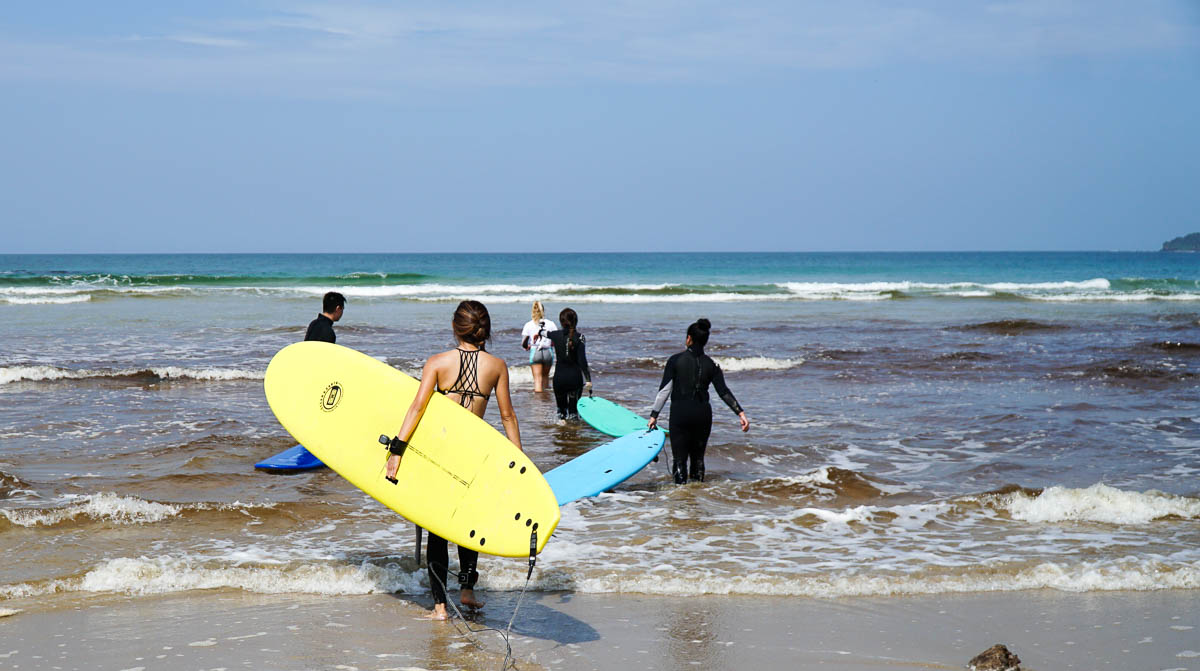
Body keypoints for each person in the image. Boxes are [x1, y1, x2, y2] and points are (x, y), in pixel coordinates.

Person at [383, 300, 521, 620]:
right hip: (473, 458)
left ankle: (440, 607)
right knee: (468, 525)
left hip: (439, 457)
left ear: (454, 327)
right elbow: (508, 417)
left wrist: (396, 452)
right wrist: (520, 467)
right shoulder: (497, 366)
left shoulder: (437, 363)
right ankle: (467, 590)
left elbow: (416, 408)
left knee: (438, 530)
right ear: (485, 328)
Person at [647, 318, 749, 484]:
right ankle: (697, 498)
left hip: (681, 414)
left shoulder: (675, 360)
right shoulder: (712, 364)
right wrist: (740, 413)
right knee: (698, 459)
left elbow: (664, 391)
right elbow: (723, 391)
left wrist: (653, 416)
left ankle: (681, 499)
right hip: (703, 415)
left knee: (679, 460)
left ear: (689, 338)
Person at [546, 307, 591, 421]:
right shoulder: (580, 337)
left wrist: (539, 333)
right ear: (575, 321)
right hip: (574, 379)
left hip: (559, 379)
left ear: (561, 322)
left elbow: (543, 333)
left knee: (561, 412)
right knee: (573, 412)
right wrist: (588, 379)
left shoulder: (555, 335)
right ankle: (573, 435)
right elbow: (582, 361)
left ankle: (561, 434)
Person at [520, 301, 557, 393]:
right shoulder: (551, 323)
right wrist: (552, 343)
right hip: (548, 351)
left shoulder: (528, 324)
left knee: (537, 380)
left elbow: (524, 342)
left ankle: (539, 404)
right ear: (543, 311)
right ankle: (546, 401)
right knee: (545, 378)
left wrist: (526, 346)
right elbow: (556, 338)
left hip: (535, 351)